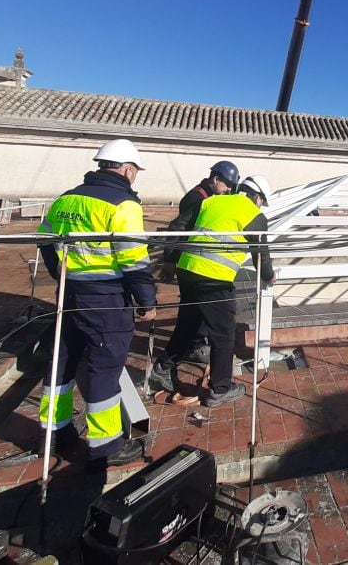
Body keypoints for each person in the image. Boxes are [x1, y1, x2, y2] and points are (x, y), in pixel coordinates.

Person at [37, 138, 156, 468]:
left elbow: (44, 239)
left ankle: (53, 430)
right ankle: (106, 445)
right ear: (128, 170)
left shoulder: (67, 198)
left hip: (69, 293)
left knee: (62, 360)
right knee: (105, 367)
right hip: (105, 299)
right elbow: (134, 260)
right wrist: (147, 301)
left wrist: (60, 274)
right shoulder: (123, 204)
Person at [164, 174, 276, 407]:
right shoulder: (254, 215)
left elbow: (177, 226)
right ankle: (220, 388)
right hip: (214, 280)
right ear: (257, 198)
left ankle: (162, 368)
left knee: (189, 324)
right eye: (262, 201)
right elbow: (261, 253)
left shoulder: (211, 201)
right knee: (223, 334)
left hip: (187, 270)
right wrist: (268, 275)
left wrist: (170, 261)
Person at [149, 160, 239, 391]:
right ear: (215, 179)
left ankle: (183, 354)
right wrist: (169, 261)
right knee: (192, 321)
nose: (229, 190)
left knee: (193, 319)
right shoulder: (197, 199)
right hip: (192, 266)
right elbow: (178, 229)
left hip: (195, 266)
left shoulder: (209, 198)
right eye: (227, 184)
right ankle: (167, 365)